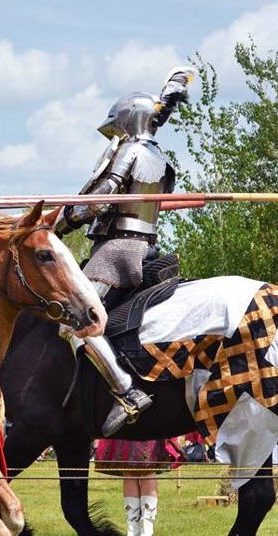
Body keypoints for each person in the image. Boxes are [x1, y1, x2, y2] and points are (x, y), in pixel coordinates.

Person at [55, 66, 196, 436]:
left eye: (118, 125)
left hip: (116, 252)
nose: (115, 134)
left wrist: (62, 221)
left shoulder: (131, 150)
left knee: (75, 318)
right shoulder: (161, 157)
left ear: (130, 122)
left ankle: (126, 392)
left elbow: (104, 197)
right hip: (146, 245)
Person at [93, 436, 185, 536]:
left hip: (149, 425)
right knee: (128, 471)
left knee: (148, 469)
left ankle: (147, 527)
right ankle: (132, 528)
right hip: (125, 424)